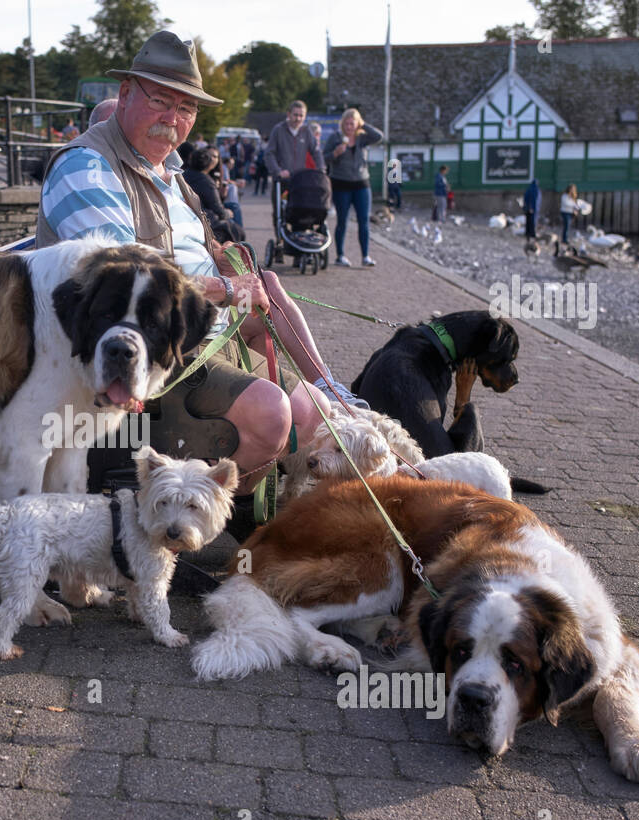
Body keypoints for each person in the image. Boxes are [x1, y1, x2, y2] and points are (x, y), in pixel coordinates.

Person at [36, 30, 366, 522]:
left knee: (316, 411)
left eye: (186, 108)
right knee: (273, 417)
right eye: (161, 101)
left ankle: (221, 510)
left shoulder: (169, 173)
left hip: (204, 331)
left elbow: (204, 246)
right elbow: (128, 279)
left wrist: (229, 263)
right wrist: (229, 289)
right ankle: (169, 520)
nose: (174, 119)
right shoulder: (87, 167)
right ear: (125, 94)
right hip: (140, 355)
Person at [321, 107, 383, 267]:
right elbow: (323, 158)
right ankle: (340, 256)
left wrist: (363, 125)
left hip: (362, 184)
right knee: (343, 221)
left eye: (352, 123)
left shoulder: (362, 138)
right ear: (342, 124)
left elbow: (379, 136)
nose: (349, 127)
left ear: (357, 124)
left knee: (364, 221)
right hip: (341, 184)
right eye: (346, 124)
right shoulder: (335, 138)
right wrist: (335, 154)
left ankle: (365, 256)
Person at [264, 100, 323, 263]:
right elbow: (269, 153)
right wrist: (277, 171)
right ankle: (281, 243)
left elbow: (316, 152)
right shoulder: (278, 130)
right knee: (280, 214)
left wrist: (321, 169)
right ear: (288, 114)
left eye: (301, 116)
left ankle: (300, 249)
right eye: (295, 115)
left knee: (300, 212)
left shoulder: (306, 131)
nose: (298, 119)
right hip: (282, 180)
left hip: (300, 182)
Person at [183, 147, 242, 243]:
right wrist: (227, 213)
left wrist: (222, 194)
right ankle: (240, 248)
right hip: (205, 215)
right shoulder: (205, 179)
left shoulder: (187, 174)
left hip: (202, 210)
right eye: (211, 156)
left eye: (215, 157)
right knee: (235, 219)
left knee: (233, 207)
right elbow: (217, 207)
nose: (213, 159)